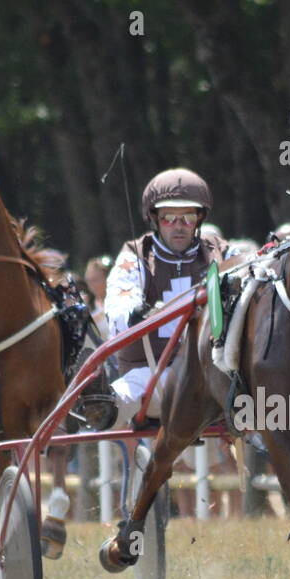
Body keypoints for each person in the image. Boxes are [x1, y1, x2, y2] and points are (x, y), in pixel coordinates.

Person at [103, 168, 232, 424]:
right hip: (152, 376)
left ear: (200, 219)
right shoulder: (136, 256)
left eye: (188, 218)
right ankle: (102, 405)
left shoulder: (219, 252)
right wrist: (133, 314)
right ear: (154, 219)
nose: (179, 227)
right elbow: (118, 299)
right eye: (169, 218)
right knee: (134, 387)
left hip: (212, 375)